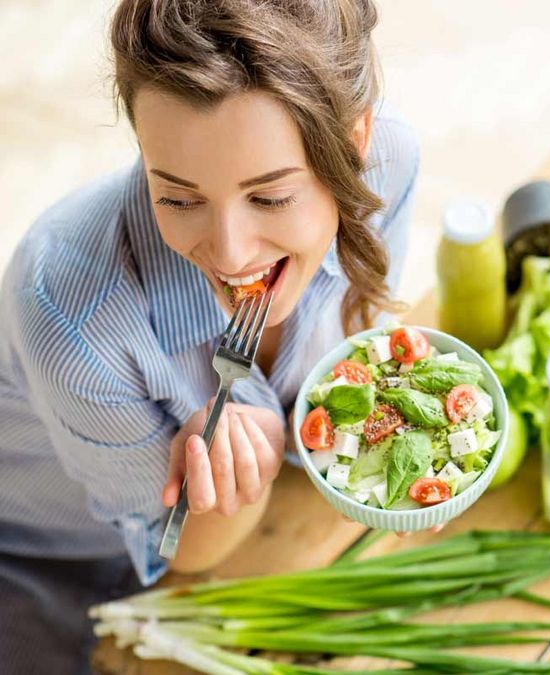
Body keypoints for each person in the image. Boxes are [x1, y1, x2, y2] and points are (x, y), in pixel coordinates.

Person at [0, 0, 420, 671]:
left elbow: (352, 348)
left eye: (270, 197)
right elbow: (183, 548)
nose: (228, 252)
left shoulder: (390, 162)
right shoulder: (66, 311)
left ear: (357, 142)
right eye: (178, 196)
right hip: (49, 566)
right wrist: (236, 473)